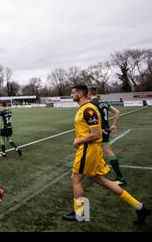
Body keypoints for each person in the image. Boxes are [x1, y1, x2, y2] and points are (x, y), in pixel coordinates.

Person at [62, 84, 149, 224]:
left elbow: (95, 135)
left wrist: (78, 140)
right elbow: (96, 130)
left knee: (75, 179)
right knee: (100, 179)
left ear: (79, 93)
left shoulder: (88, 109)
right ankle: (139, 207)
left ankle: (80, 214)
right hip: (91, 149)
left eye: (73, 93)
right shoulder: (85, 108)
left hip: (88, 149)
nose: (71, 95)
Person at [89, 87, 126, 186]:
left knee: (92, 150)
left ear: (88, 94)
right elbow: (117, 112)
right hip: (106, 130)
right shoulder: (104, 102)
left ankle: (120, 177)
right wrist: (114, 125)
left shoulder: (91, 104)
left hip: (98, 131)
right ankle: (98, 171)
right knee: (104, 151)